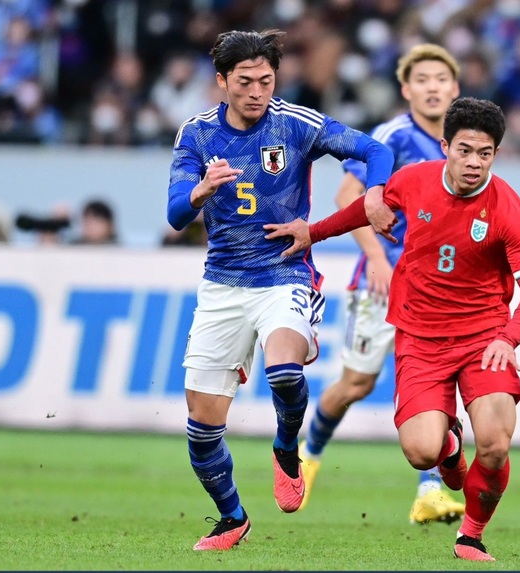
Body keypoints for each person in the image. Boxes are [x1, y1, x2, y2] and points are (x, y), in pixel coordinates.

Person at [264, 97, 520, 562]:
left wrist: (507, 338)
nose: (474, 163)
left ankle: (471, 536)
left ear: (496, 154)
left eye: (485, 153)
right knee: (422, 453)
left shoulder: (508, 208)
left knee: (496, 444)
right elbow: (365, 208)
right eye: (465, 150)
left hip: (484, 338)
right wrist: (312, 232)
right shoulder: (414, 181)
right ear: (445, 146)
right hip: (420, 338)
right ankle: (449, 445)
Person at [165, 29, 393, 552]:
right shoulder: (196, 135)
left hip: (285, 272)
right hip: (222, 283)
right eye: (244, 82)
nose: (256, 91)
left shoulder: (296, 123)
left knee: (285, 369)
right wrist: (199, 192)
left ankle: (286, 447)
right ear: (222, 81)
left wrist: (376, 190)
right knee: (202, 428)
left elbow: (373, 149)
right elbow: (176, 214)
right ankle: (232, 519)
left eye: (266, 80)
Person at [296, 43, 465, 525]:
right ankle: (307, 455)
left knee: (436, 383)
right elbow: (348, 196)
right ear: (406, 89)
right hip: (382, 282)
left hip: (435, 289)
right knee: (356, 383)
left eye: (441, 79)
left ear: (454, 88)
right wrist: (377, 259)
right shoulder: (393, 137)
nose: (433, 87)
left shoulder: (461, 142)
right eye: (423, 80)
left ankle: (429, 492)